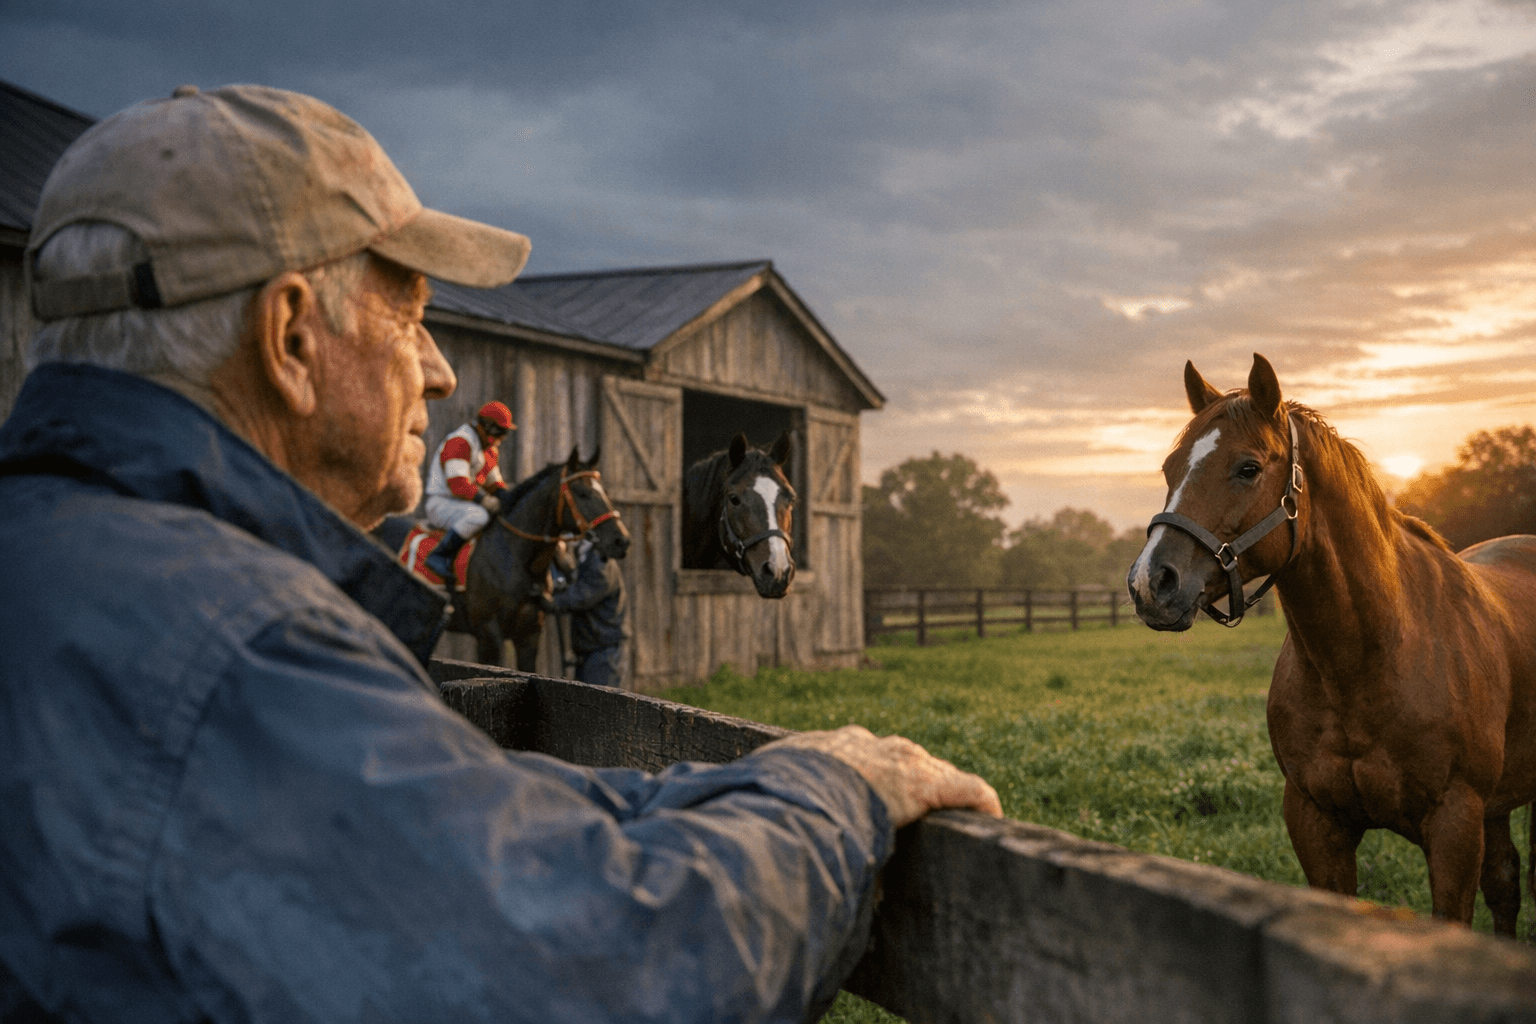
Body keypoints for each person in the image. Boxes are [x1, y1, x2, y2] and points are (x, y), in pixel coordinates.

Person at [0, 84, 1001, 1023]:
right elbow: (601, 966)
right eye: (412, 313)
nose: (436, 368)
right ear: (291, 338)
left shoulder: (67, 563)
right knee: (464, 533)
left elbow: (452, 822)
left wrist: (755, 777)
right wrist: (836, 797)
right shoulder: (231, 648)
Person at [423, 398, 513, 585]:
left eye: (504, 433)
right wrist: (485, 500)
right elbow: (458, 485)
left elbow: (494, 485)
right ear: (484, 426)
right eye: (499, 431)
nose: (502, 438)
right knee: (479, 515)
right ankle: (439, 555)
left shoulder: (490, 450)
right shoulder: (460, 441)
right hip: (441, 503)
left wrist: (511, 500)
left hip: (462, 503)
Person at [539, 533, 630, 687]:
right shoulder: (588, 559)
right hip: (591, 649)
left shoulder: (601, 562)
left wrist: (551, 602)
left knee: (599, 704)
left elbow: (583, 594)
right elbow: (575, 578)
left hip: (604, 652)